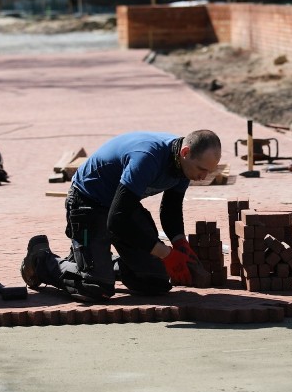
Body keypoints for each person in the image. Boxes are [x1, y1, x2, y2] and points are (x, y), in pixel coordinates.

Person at [21, 129, 222, 301]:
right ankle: (40, 261)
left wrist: (180, 244)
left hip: (122, 206)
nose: (203, 177)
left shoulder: (184, 166)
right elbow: (116, 221)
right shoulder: (147, 157)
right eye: (201, 170)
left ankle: (92, 259)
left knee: (156, 281)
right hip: (88, 202)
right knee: (96, 287)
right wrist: (166, 254)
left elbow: (170, 209)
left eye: (209, 172)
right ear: (186, 152)